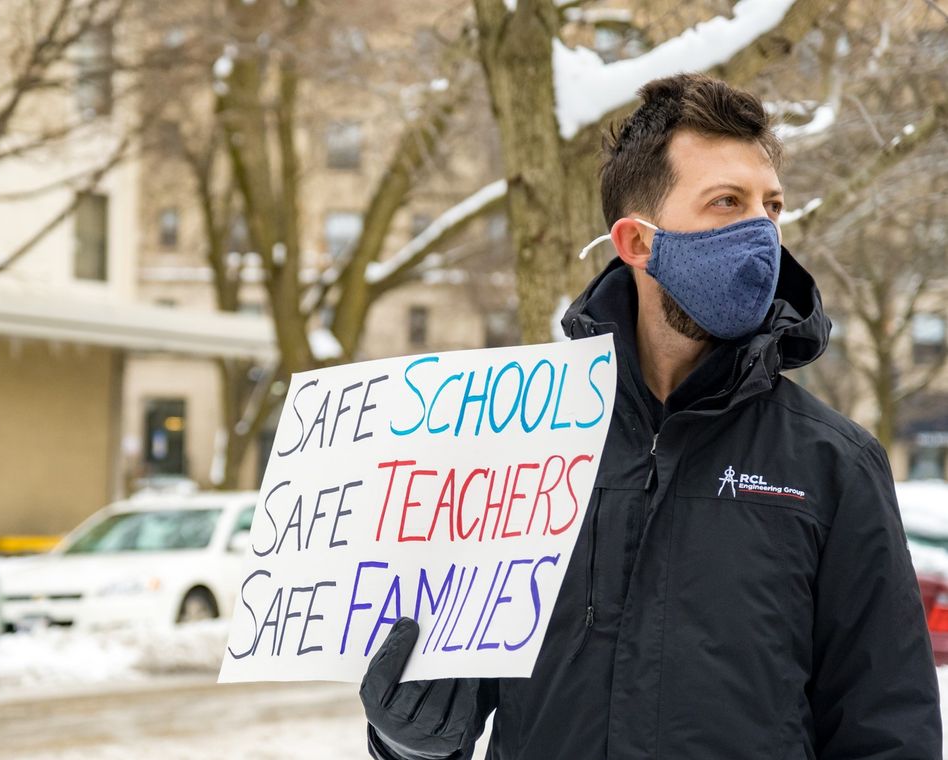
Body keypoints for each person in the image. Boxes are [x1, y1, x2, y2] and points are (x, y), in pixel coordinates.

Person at [359, 73, 941, 759]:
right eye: (726, 202)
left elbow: (888, 730)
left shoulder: (832, 464)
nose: (760, 234)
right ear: (637, 243)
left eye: (771, 207)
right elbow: (453, 693)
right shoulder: (520, 446)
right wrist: (409, 743)